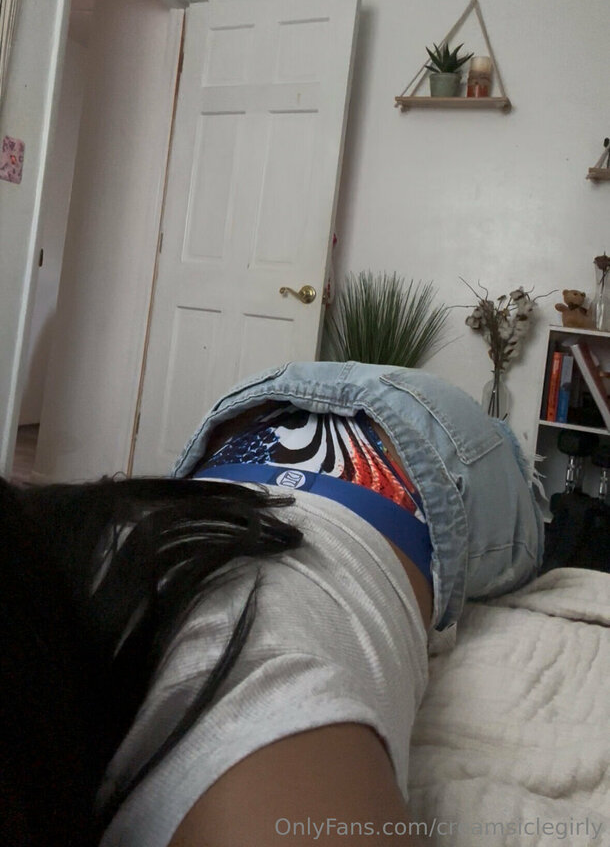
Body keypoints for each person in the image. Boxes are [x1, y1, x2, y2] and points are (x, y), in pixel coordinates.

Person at [2, 362, 545, 847]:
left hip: (417, 446)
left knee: (531, 505)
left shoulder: (237, 696)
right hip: (257, 419)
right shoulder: (45, 553)